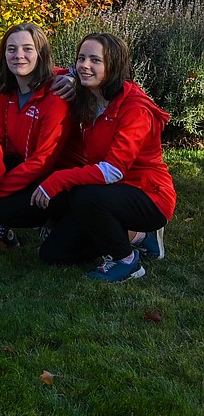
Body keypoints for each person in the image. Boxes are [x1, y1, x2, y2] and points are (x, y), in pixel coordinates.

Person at [29, 33, 176, 282]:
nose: (85, 65)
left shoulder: (135, 109)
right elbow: (52, 72)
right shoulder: (89, 96)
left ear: (114, 65)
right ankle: (139, 237)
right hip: (108, 193)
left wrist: (58, 179)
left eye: (95, 60)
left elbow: (113, 170)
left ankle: (127, 261)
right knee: (53, 254)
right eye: (81, 58)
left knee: (84, 195)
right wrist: (69, 77)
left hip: (148, 195)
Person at [0, 23, 72, 254]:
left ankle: (56, 220)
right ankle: (6, 233)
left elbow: (44, 161)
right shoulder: (7, 90)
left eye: (27, 49)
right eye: (11, 49)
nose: (18, 55)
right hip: (23, 162)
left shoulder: (56, 94)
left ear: (40, 54)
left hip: (55, 175)